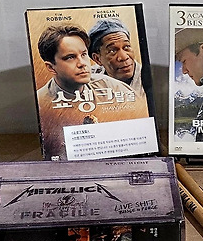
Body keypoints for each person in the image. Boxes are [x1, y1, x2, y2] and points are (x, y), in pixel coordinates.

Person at [35, 25, 135, 159]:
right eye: (70, 57)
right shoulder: (40, 104)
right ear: (51, 67)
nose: (82, 63)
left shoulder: (112, 87)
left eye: (83, 54)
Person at [87, 18, 146, 98]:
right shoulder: (90, 78)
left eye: (127, 47)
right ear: (97, 59)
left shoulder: (150, 79)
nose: (124, 57)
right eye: (112, 51)